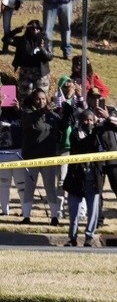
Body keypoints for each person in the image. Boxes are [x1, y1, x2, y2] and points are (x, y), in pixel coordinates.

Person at [19, 88, 65, 225]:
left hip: (48, 157)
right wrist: (42, 111)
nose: (41, 101)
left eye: (44, 99)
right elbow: (29, 121)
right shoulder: (28, 112)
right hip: (32, 157)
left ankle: (54, 217)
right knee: (29, 187)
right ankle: (26, 216)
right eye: (38, 99)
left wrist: (66, 112)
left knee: (50, 187)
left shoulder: (51, 115)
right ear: (33, 100)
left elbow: (62, 125)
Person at [88, 87, 117, 226]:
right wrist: (94, 121)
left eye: (98, 97)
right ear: (89, 98)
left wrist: (107, 117)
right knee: (98, 190)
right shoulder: (86, 112)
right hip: (97, 158)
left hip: (114, 156)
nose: (96, 100)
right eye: (93, 97)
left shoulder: (111, 109)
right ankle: (99, 220)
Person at [63, 109, 105, 247]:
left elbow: (106, 148)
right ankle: (72, 237)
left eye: (91, 120)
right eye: (85, 120)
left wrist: (102, 128)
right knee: (74, 210)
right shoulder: (76, 134)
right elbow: (82, 146)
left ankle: (89, 237)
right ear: (81, 121)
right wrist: (96, 132)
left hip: (93, 179)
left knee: (93, 210)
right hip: (77, 177)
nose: (88, 123)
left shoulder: (99, 135)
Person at [12, 20, 51, 104]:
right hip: (26, 71)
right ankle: (24, 114)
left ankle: (42, 114)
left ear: (41, 29)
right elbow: (6, 39)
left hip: (41, 73)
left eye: (38, 28)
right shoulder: (23, 40)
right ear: (29, 29)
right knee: (25, 95)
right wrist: (17, 30)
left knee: (41, 96)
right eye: (32, 28)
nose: (35, 30)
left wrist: (42, 48)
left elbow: (50, 57)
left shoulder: (46, 41)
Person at [0, 102, 24, 216]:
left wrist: (19, 110)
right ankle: (5, 211)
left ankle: (26, 211)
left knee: (21, 184)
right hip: (2, 152)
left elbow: (28, 123)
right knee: (3, 184)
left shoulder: (20, 113)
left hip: (18, 152)